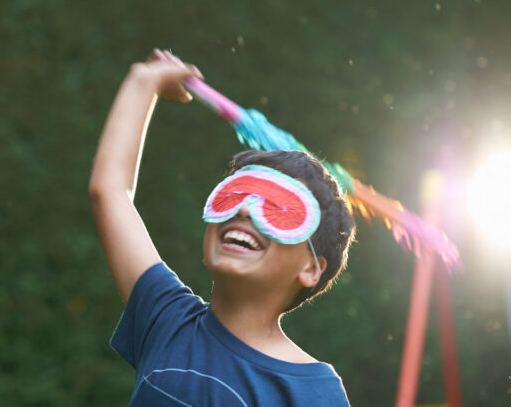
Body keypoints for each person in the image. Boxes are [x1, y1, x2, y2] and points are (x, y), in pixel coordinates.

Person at [88, 49, 355, 406]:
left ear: (310, 268)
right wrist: (145, 81)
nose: (245, 208)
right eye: (237, 193)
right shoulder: (167, 318)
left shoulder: (314, 392)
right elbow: (109, 191)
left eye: (277, 207)